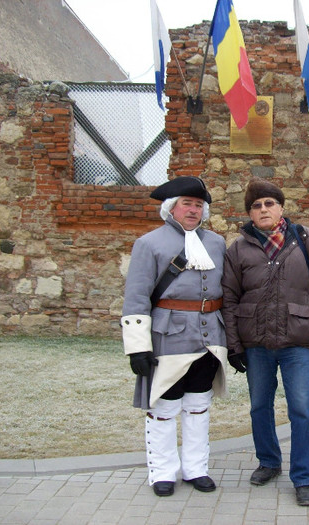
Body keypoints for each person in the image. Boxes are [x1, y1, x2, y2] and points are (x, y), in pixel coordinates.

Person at [221, 177, 309, 507]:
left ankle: (304, 477)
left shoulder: (308, 240)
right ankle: (269, 461)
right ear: (250, 213)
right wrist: (234, 345)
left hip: (297, 341)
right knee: (260, 406)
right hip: (256, 343)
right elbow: (229, 298)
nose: (263, 209)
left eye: (269, 203)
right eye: (256, 206)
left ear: (281, 208)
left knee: (302, 409)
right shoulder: (238, 249)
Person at [121, 176, 228, 497]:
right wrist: (137, 347)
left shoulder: (217, 243)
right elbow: (136, 297)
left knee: (198, 405)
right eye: (187, 204)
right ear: (171, 208)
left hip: (211, 336)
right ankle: (163, 472)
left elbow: (229, 293)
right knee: (165, 408)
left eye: (198, 205)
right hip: (168, 336)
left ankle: (196, 468)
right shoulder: (149, 244)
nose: (193, 210)